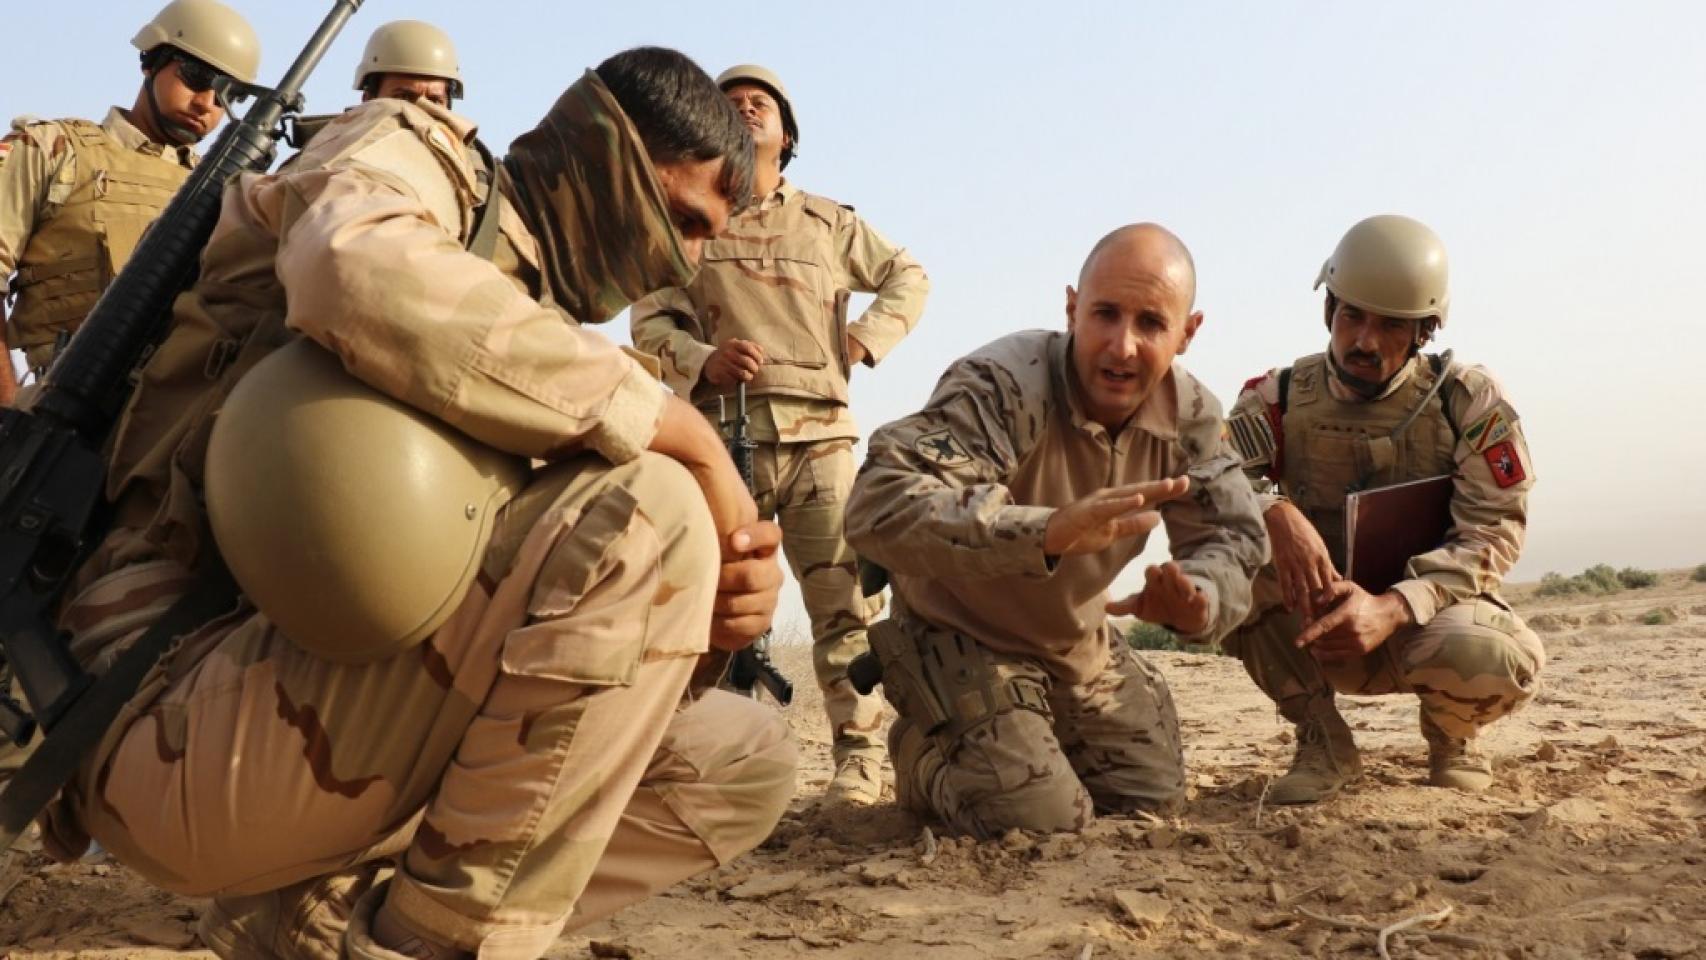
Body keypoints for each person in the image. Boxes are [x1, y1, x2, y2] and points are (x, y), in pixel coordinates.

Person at [41, 46, 796, 960]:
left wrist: (715, 615)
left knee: (743, 762)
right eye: (682, 219)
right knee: (650, 510)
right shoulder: (409, 150)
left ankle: (322, 920)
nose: (687, 261)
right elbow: (351, 271)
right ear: (609, 162)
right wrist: (685, 436)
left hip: (294, 700)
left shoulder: (536, 325)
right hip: (160, 699)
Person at [843, 224, 1267, 838]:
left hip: (1074, 641)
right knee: (1040, 821)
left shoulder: (1192, 414)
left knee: (1151, 800)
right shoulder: (1004, 383)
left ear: (1187, 333)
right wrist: (1042, 532)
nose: (1122, 347)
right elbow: (877, 504)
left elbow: (1235, 535)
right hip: (963, 634)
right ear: (1072, 308)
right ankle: (924, 753)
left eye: (1151, 323)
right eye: (1105, 314)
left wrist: (1198, 596)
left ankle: (1022, 737)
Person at [630, 63, 929, 804]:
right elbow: (647, 320)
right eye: (730, 106)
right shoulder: (690, 219)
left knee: (846, 609)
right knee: (709, 604)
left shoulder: (830, 222)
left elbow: (909, 276)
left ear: (786, 135)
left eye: (760, 104)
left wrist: (862, 341)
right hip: (722, 443)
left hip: (821, 439)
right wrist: (703, 358)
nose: (746, 110)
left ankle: (858, 762)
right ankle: (706, 764)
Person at [1221, 214, 1544, 803]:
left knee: (1497, 652)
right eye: (1352, 316)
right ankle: (1322, 740)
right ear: (1329, 312)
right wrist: (1271, 508)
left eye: (1390, 325)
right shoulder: (1279, 397)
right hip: (1317, 622)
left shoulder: (1465, 399)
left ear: (1423, 331)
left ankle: (1452, 735)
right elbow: (1210, 479)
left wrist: (1395, 605)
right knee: (1217, 570)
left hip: (1426, 621)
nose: (1364, 341)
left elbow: (1493, 529)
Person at [0, 0, 260, 402]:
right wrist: (7, 408)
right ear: (151, 62)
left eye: (230, 95)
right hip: (59, 401)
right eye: (197, 76)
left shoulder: (227, 194)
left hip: (170, 415)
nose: (207, 104)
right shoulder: (53, 149)